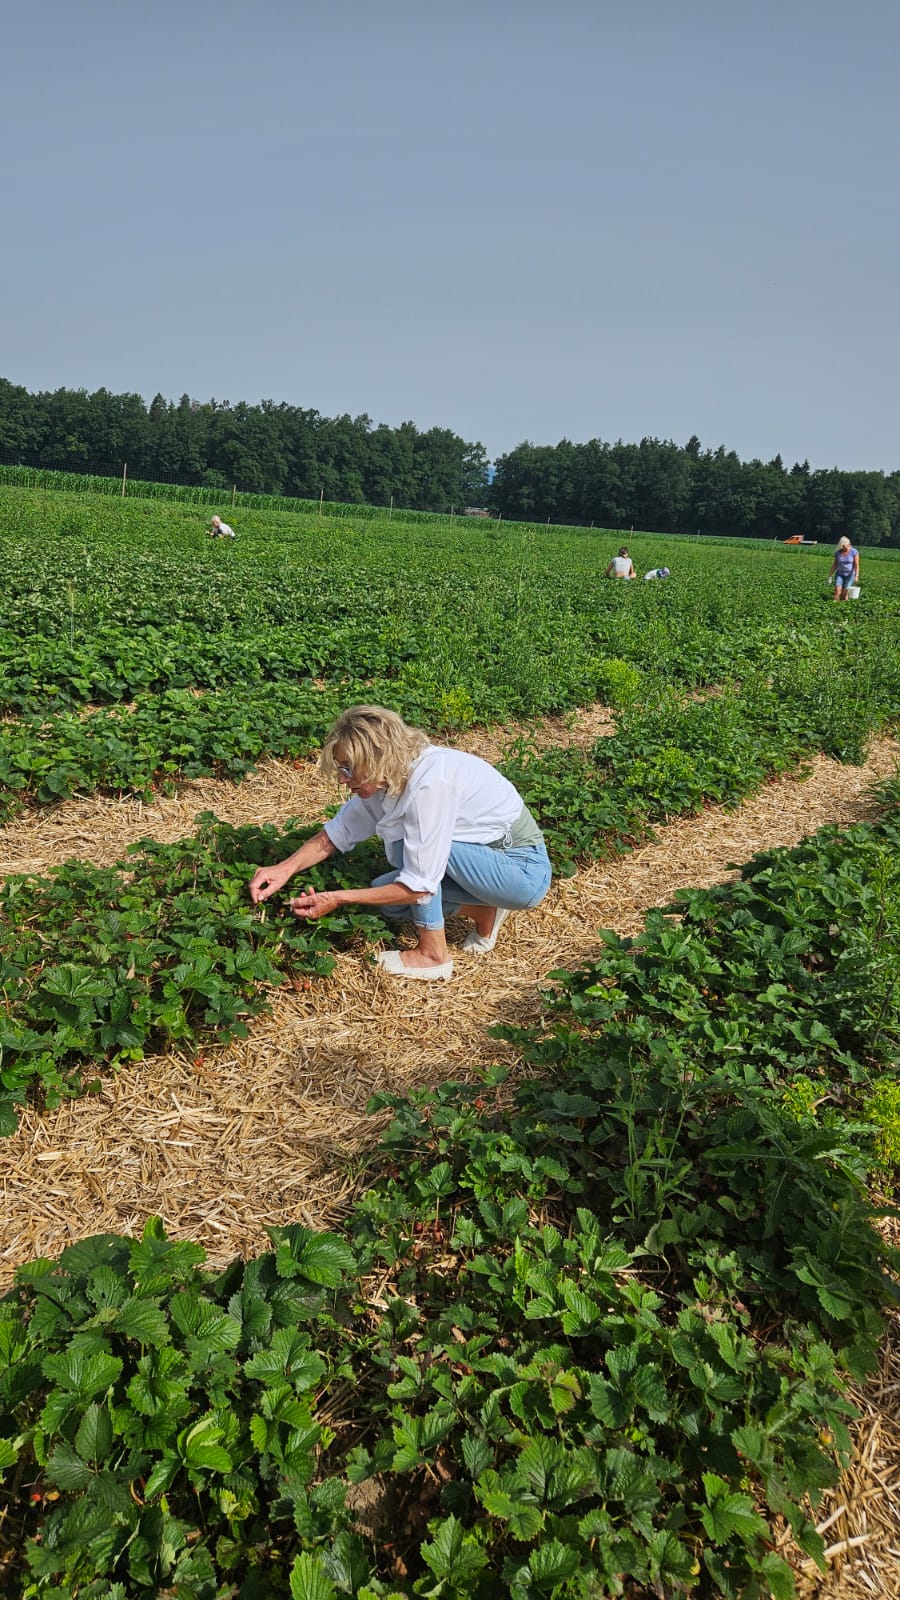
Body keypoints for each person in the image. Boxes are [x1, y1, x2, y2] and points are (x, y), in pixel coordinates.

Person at [248, 705, 552, 982]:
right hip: (480, 863)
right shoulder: (384, 780)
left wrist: (338, 898)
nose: (342, 779)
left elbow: (420, 886)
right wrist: (284, 869)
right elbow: (337, 833)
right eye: (341, 768)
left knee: (410, 864)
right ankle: (484, 912)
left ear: (377, 758)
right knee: (389, 902)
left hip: (522, 872)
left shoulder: (430, 784)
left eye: (348, 768)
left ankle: (433, 956)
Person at [828, 536, 859, 600]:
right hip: (839, 574)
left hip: (850, 575)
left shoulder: (854, 552)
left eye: (847, 546)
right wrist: (830, 575)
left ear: (849, 544)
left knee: (844, 593)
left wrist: (856, 575)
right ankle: (835, 604)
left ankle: (843, 604)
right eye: (843, 546)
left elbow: (856, 564)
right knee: (837, 592)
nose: (845, 548)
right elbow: (835, 564)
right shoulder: (838, 553)